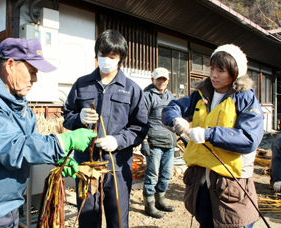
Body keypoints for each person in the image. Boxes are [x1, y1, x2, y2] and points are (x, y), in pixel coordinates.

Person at [0, 38, 96, 228]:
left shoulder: (18, 104)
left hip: (7, 204)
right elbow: (12, 149)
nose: (35, 79)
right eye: (32, 72)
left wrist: (58, 157)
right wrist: (64, 141)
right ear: (10, 65)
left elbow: (31, 140)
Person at [162, 44, 264, 227]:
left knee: (234, 222)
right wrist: (176, 120)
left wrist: (209, 134)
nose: (214, 75)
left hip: (232, 182)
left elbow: (249, 138)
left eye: (221, 70)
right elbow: (172, 107)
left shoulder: (245, 98)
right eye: (211, 68)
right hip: (201, 181)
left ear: (236, 72)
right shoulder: (201, 94)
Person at [63, 29, 148, 228]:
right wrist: (78, 118)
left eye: (112, 56)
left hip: (117, 165)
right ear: (96, 54)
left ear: (121, 58)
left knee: (118, 219)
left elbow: (140, 127)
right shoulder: (81, 84)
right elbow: (66, 117)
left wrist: (118, 140)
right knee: (87, 218)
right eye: (102, 55)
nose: (106, 60)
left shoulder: (132, 88)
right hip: (86, 164)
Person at [141, 67, 177, 218]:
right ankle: (149, 204)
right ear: (152, 80)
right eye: (158, 79)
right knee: (152, 175)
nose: (161, 82)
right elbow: (141, 119)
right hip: (154, 142)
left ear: (168, 80)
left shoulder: (170, 95)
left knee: (167, 174)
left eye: (164, 79)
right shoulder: (147, 95)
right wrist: (144, 140)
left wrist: (183, 135)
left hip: (170, 141)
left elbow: (175, 115)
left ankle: (160, 200)